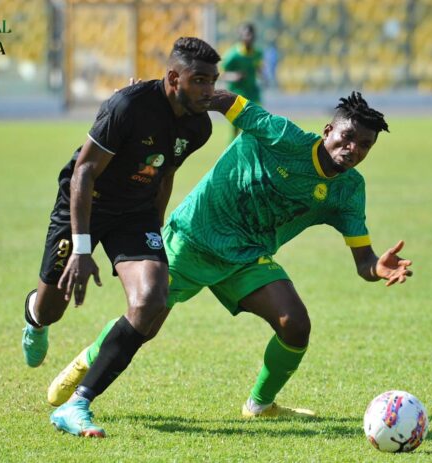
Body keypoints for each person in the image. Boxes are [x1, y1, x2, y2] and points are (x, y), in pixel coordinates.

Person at [47, 89, 413, 437]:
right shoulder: (280, 135)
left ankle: (260, 405)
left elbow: (363, 260)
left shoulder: (348, 189)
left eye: (365, 145)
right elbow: (219, 100)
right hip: (194, 238)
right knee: (145, 321)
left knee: (295, 324)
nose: (353, 149)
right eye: (347, 138)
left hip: (247, 256)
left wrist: (377, 269)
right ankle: (86, 362)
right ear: (328, 130)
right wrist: (145, 106)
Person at [21, 37, 220, 385]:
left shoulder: (199, 127)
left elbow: (165, 173)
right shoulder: (128, 106)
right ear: (174, 78)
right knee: (52, 309)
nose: (209, 90)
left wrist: (153, 231)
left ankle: (84, 395)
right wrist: (82, 250)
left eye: (213, 81)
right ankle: (35, 318)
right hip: (85, 203)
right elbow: (83, 172)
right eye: (199, 80)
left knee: (153, 298)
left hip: (135, 212)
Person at [221, 22, 264, 139]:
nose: (248, 38)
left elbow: (259, 68)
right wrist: (234, 76)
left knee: (256, 122)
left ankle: (252, 150)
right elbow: (222, 74)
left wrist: (262, 75)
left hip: (252, 92)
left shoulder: (258, 53)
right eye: (246, 35)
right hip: (237, 93)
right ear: (241, 36)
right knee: (236, 126)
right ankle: (233, 151)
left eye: (251, 35)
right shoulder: (233, 55)